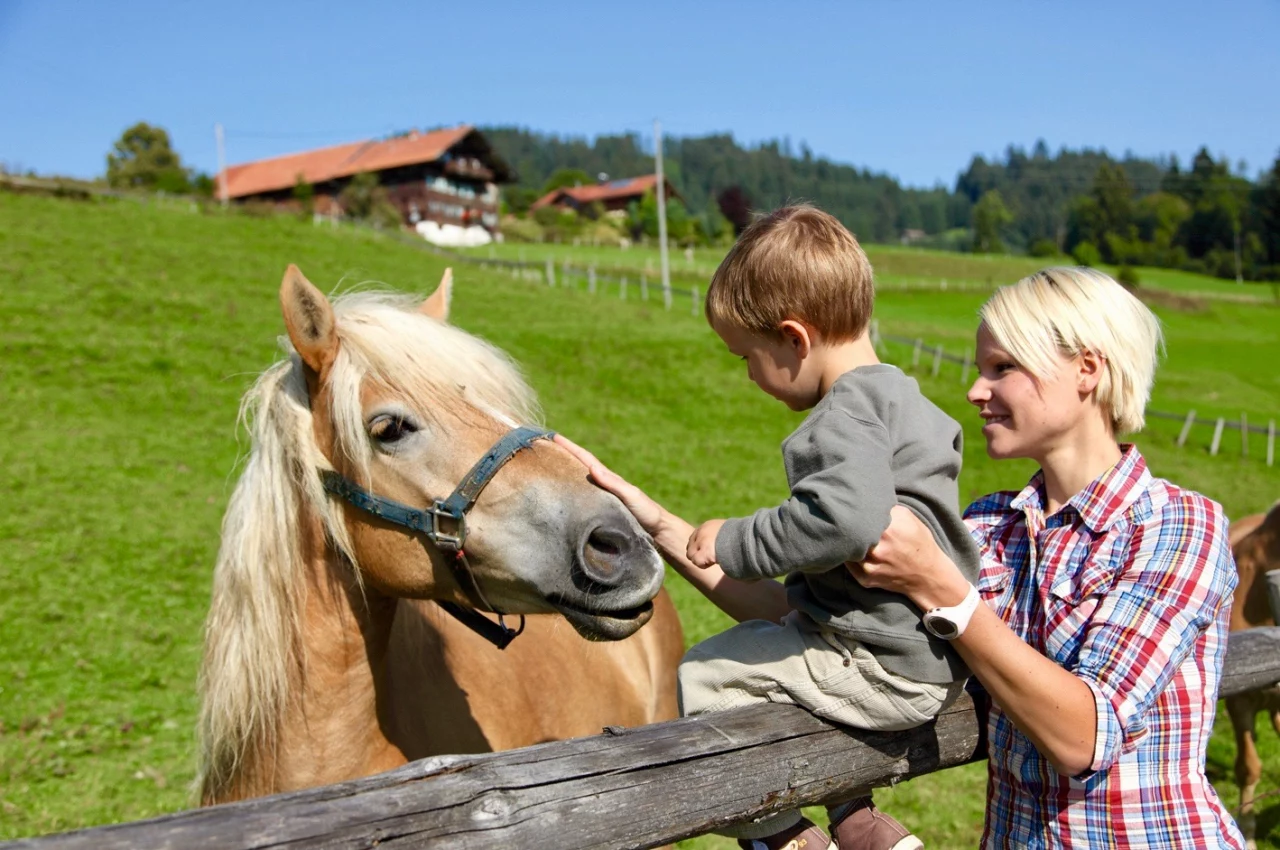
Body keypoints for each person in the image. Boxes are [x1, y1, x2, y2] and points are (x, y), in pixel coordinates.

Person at [563, 204, 980, 850]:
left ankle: (781, 837)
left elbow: (848, 519)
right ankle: (860, 822)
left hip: (875, 665)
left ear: (794, 338)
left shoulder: (840, 417)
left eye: (746, 356)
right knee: (782, 654)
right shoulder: (909, 401)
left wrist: (731, 539)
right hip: (928, 659)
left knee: (704, 677)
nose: (749, 376)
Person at [841, 266, 1246, 848]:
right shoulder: (989, 524)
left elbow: (1084, 737)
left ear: (1088, 369)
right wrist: (674, 532)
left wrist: (942, 589)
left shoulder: (1180, 527)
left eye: (1003, 367)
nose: (976, 391)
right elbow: (839, 621)